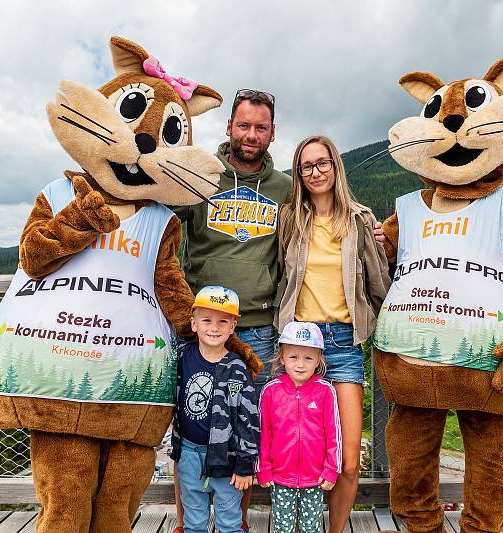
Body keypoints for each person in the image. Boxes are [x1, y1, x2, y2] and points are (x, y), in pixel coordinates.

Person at [171, 88, 292, 532]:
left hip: (257, 327)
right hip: (197, 327)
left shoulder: (285, 188)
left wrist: (372, 228)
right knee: (189, 432)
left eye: (261, 127)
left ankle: (233, 524)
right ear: (228, 128)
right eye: (244, 125)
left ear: (273, 133)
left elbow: (324, 216)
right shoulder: (203, 175)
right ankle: (189, 525)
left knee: (241, 433)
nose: (251, 134)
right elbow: (164, 219)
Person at [275, 135, 391, 532]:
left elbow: (379, 280)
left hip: (342, 344)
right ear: (299, 174)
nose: (315, 172)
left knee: (349, 459)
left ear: (335, 166)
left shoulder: (360, 219)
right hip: (297, 346)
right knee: (298, 451)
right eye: (306, 167)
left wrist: (391, 244)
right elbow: (277, 274)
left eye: (322, 163)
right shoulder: (289, 218)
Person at [169, 286, 260, 533]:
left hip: (227, 459)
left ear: (232, 327)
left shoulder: (237, 369)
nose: (214, 327)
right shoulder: (181, 357)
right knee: (194, 522)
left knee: (230, 522)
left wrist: (245, 466)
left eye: (223, 322)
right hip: (189, 454)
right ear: (194, 323)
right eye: (206, 320)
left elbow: (249, 420)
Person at [257, 322, 341, 533]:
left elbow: (334, 434)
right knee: (282, 527)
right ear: (282, 357)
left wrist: (331, 469)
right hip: (280, 477)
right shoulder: (270, 391)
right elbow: (263, 433)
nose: (300, 364)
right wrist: (263, 468)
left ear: (318, 360)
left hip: (315, 478)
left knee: (311, 527)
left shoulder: (325, 391)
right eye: (294, 357)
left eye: (308, 358)